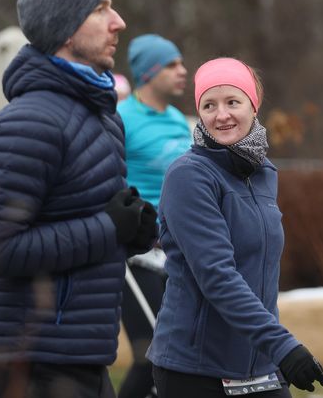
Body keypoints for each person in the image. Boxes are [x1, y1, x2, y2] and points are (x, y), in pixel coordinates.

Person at [0, 0, 158, 398]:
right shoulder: (28, 123)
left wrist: (131, 234)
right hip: (28, 359)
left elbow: (78, 228)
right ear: (65, 29)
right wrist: (108, 228)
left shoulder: (102, 118)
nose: (119, 21)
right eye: (101, 9)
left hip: (78, 353)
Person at [146, 58, 323, 397]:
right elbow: (217, 275)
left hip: (258, 362)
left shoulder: (263, 173)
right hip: (196, 368)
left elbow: (260, 270)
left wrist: (271, 349)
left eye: (233, 101)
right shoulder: (189, 175)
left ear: (253, 106)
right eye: (209, 105)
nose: (221, 115)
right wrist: (283, 346)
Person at [117, 34, 190, 398]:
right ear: (148, 73)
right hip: (135, 256)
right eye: (172, 65)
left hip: (175, 254)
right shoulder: (122, 118)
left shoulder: (179, 120)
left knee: (176, 355)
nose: (183, 71)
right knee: (151, 357)